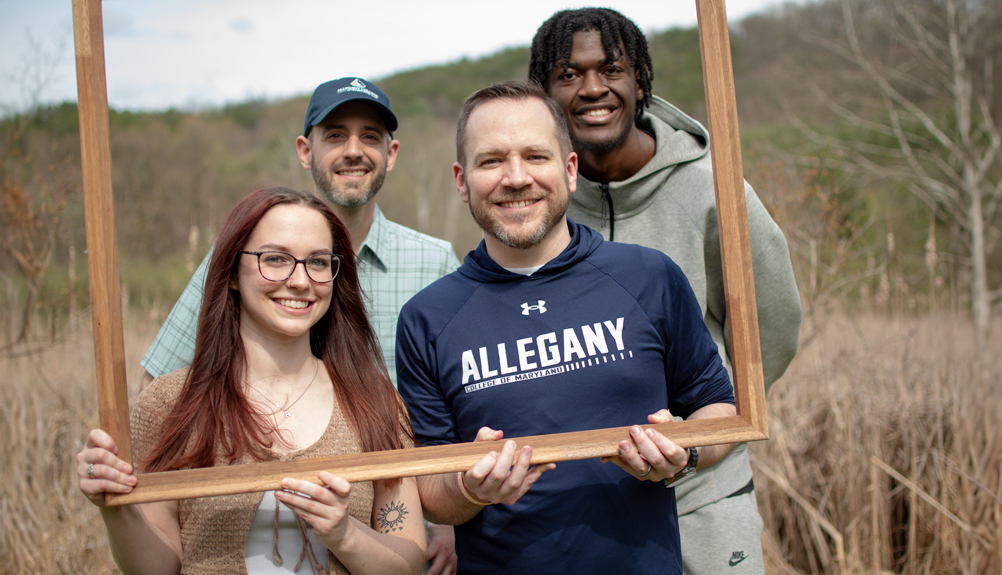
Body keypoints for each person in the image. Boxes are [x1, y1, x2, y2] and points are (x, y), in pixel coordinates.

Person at [396, 81, 737, 575]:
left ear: (570, 170)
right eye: (491, 161)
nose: (516, 178)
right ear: (461, 180)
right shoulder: (427, 317)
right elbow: (431, 492)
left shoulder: (648, 276)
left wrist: (686, 453)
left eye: (536, 156)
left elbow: (718, 411)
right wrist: (470, 489)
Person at [138, 77, 461, 573]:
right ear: (305, 149)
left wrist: (444, 521)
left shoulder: (435, 263)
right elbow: (163, 401)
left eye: (370, 136)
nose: (298, 280)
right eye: (335, 135)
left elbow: (446, 417)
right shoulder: (230, 261)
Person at [528, 8, 803, 574]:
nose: (593, 88)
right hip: (582, 505)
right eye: (569, 74)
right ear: (543, 95)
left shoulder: (712, 190)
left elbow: (772, 325)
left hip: (703, 496)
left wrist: (709, 425)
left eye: (612, 69)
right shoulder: (536, 204)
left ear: (641, 82)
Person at [76, 187, 426, 575]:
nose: (299, 280)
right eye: (275, 259)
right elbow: (156, 568)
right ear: (232, 274)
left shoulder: (375, 401)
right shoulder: (170, 403)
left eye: (318, 262)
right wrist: (115, 510)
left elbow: (409, 562)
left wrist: (346, 534)